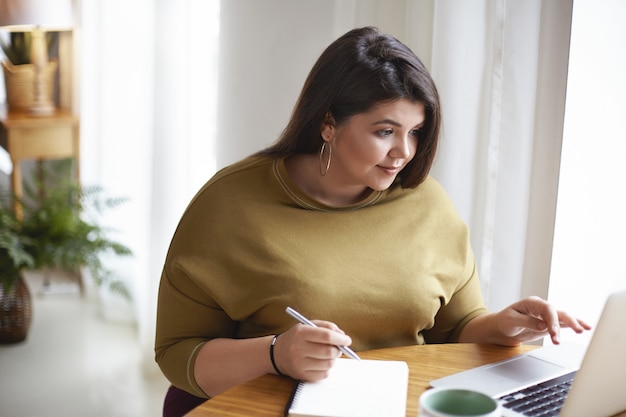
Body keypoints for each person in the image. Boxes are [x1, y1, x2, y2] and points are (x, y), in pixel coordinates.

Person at [154, 26, 590, 414]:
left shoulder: (427, 203)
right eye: (385, 131)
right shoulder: (229, 204)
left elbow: (456, 329)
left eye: (416, 132)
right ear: (328, 124)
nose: (404, 152)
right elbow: (177, 352)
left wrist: (506, 324)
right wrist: (275, 354)